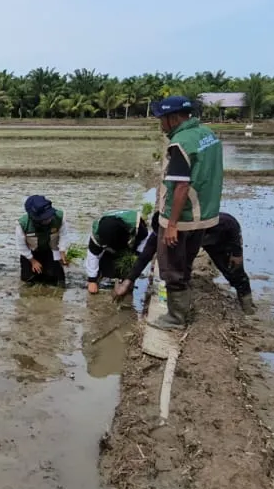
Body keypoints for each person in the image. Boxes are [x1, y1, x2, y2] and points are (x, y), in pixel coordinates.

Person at [150, 95, 224, 329]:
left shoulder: (180, 142)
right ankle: (183, 309)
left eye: (162, 119)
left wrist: (171, 224)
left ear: (173, 118)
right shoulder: (207, 134)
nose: (161, 125)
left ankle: (175, 318)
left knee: (171, 266)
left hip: (183, 216)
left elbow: (181, 185)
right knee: (185, 261)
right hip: (203, 214)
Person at [117, 211, 255, 314]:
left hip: (220, 239)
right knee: (181, 267)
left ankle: (248, 308)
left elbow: (231, 223)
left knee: (233, 271)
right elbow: (144, 257)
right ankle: (183, 303)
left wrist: (237, 252)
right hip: (199, 240)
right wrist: (128, 281)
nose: (162, 239)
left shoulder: (205, 223)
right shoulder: (160, 233)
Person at [84, 209, 146, 294]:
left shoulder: (137, 228)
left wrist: (131, 276)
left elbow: (144, 243)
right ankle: (100, 275)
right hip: (112, 240)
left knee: (129, 263)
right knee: (104, 262)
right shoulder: (98, 234)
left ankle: (126, 279)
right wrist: (92, 280)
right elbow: (93, 255)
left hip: (127, 239)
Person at [16, 195, 69, 286]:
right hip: (30, 252)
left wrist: (62, 251)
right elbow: (21, 246)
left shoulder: (59, 218)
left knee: (55, 279)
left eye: (49, 216)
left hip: (50, 251)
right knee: (28, 279)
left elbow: (63, 235)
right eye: (44, 218)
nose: (48, 219)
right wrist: (33, 261)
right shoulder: (22, 224)